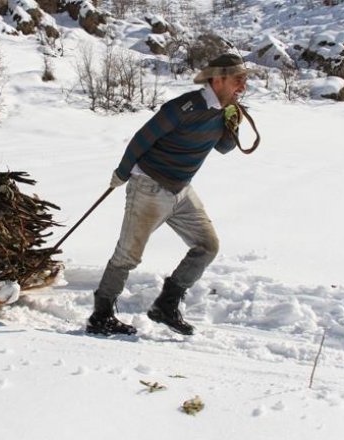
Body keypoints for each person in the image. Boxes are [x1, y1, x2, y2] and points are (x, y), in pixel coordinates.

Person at [86, 53, 254, 336]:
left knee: (207, 246)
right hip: (149, 187)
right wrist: (123, 172)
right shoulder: (184, 107)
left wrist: (231, 124)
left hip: (181, 190)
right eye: (239, 79)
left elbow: (224, 148)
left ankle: (166, 304)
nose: (243, 86)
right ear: (218, 78)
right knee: (128, 256)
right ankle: (101, 316)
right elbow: (143, 137)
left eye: (244, 80)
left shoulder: (225, 110)